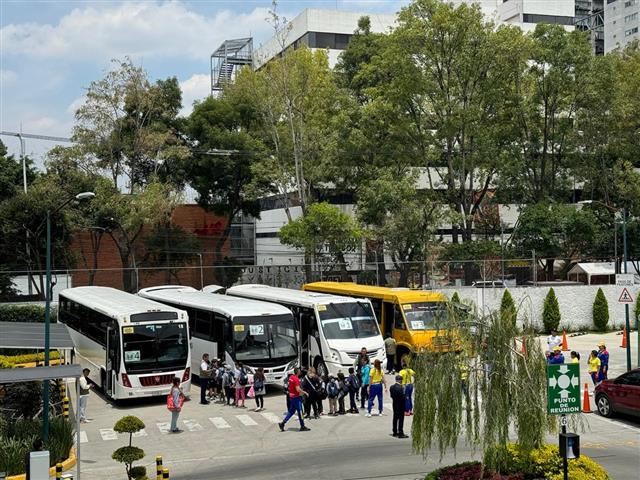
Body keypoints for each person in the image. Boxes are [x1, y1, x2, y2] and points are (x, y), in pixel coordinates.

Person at [278, 367, 310, 432]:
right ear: (298, 372)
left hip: (291, 397)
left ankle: (282, 423)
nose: (300, 372)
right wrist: (305, 392)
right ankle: (302, 426)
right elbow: (298, 389)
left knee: (291, 411)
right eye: (299, 371)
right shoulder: (296, 379)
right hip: (296, 398)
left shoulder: (291, 378)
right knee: (300, 412)